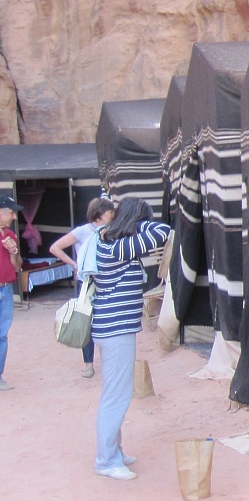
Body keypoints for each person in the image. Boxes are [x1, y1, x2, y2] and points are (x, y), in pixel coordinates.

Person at [90, 198, 170, 480]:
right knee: (116, 396)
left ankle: (114, 450)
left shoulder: (110, 242)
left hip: (111, 328)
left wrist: (128, 221)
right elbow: (162, 231)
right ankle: (106, 460)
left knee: (114, 392)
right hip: (115, 330)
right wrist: (138, 221)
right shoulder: (119, 247)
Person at [49, 197, 117, 379]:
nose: (113, 214)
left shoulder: (112, 230)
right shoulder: (82, 231)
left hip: (107, 280)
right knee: (86, 320)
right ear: (100, 214)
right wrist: (75, 264)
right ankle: (88, 364)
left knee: (107, 321)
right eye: (110, 211)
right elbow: (55, 248)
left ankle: (108, 361)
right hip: (87, 282)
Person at [0, 196, 21, 391]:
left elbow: (17, 266)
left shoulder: (10, 236)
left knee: (2, 334)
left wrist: (13, 252)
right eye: (11, 212)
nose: (14, 217)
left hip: (6, 288)